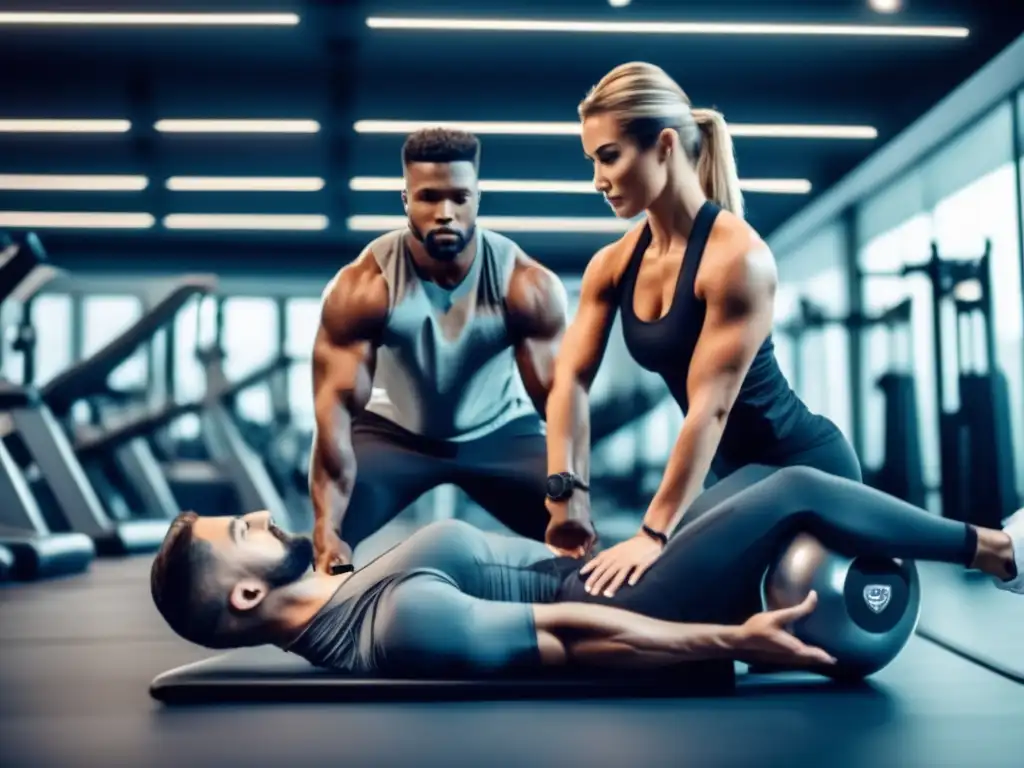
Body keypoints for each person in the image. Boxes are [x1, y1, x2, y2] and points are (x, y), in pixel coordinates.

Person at [149, 465, 1024, 679]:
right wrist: (741, 641)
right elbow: (569, 637)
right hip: (632, 602)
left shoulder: (340, 593)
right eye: (244, 531)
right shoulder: (394, 625)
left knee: (761, 475)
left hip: (598, 572)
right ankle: (999, 552)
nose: (261, 515)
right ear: (247, 592)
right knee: (794, 487)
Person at [543, 62, 862, 598]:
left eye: (608, 157)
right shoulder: (613, 265)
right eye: (591, 161)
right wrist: (566, 494)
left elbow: (709, 408)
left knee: (653, 593)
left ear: (663, 145)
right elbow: (570, 380)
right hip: (727, 480)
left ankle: (991, 547)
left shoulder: (737, 258)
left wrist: (653, 530)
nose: (597, 180)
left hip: (803, 466)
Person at [310, 126, 571, 574]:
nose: (445, 213)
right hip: (394, 435)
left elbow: (561, 404)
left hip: (501, 434)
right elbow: (334, 411)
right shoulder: (363, 287)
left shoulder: (524, 285)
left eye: (459, 198)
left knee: (580, 549)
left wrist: (574, 499)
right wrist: (326, 529)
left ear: (477, 199)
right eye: (429, 197)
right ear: (405, 200)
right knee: (327, 551)